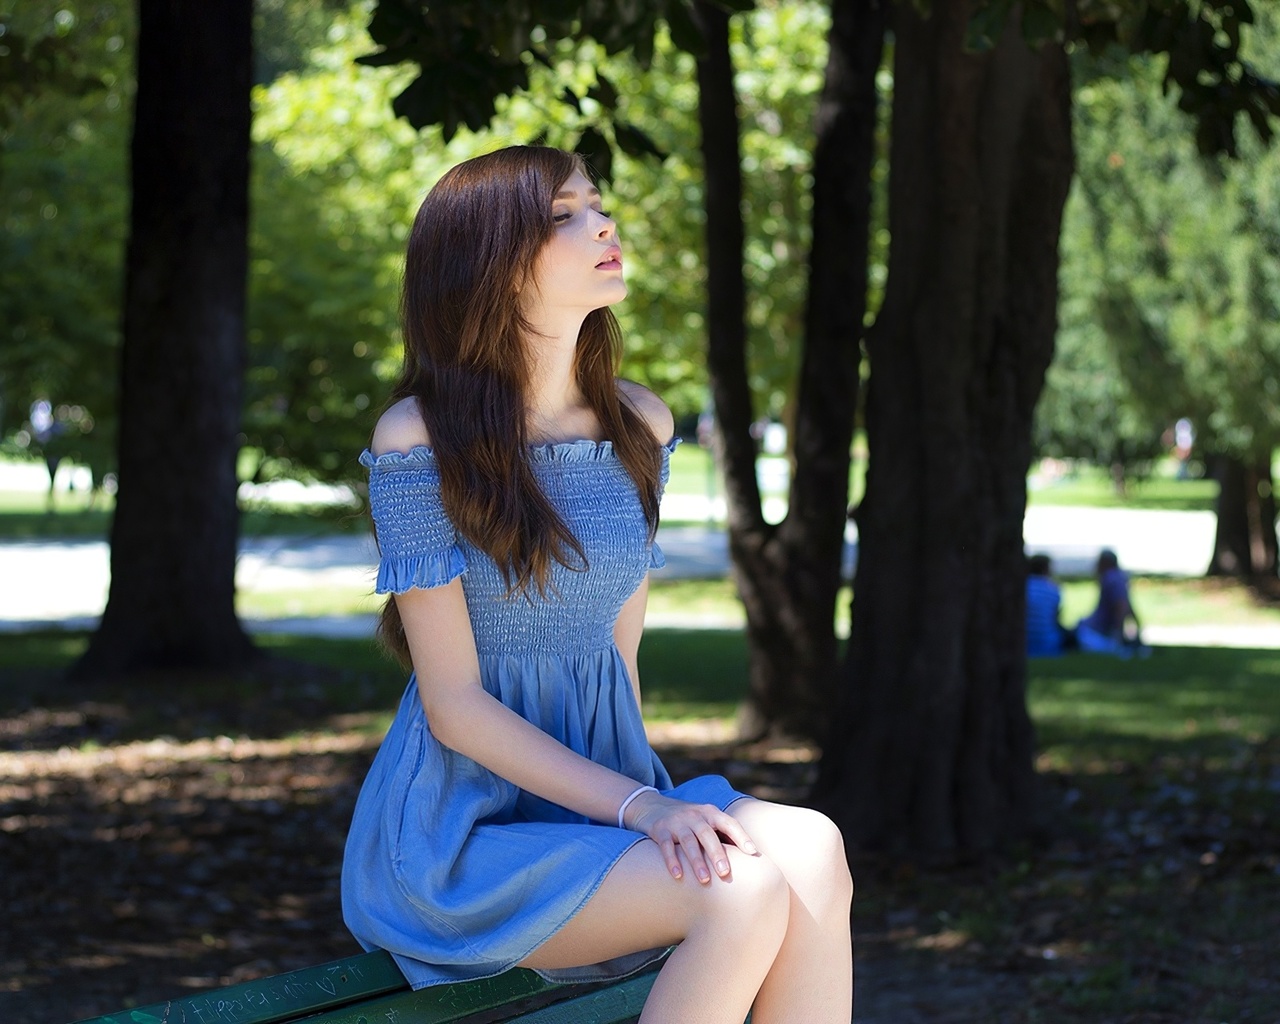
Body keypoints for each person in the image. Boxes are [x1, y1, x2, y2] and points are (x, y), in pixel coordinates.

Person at [341, 146, 853, 1024]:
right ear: (488, 264)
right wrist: (644, 809)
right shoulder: (417, 439)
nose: (602, 224)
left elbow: (620, 654)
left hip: (604, 806)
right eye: (563, 216)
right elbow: (454, 705)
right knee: (733, 894)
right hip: (458, 839)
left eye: (598, 205)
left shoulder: (639, 426)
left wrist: (639, 810)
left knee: (812, 847)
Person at [1075, 548, 1145, 655]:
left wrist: (1117, 636)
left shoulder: (1111, 578)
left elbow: (1121, 606)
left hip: (1097, 633)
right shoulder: (1119, 577)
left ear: (1105, 563)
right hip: (1098, 631)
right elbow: (1128, 606)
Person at [1025, 553, 1070, 657]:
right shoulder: (1053, 589)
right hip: (1049, 645)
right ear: (1046, 569)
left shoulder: (1022, 586)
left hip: (1024, 643)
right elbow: (1055, 619)